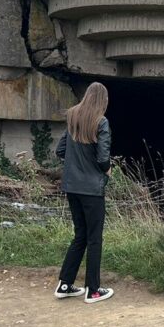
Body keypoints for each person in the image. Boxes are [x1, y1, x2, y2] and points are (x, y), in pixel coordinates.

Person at [55, 81, 115, 303]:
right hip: (92, 189)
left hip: (72, 187)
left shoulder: (73, 117)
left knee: (80, 235)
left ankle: (65, 284)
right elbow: (102, 158)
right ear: (103, 101)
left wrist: (76, 163)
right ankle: (94, 290)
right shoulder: (101, 122)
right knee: (94, 239)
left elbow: (60, 150)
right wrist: (107, 169)